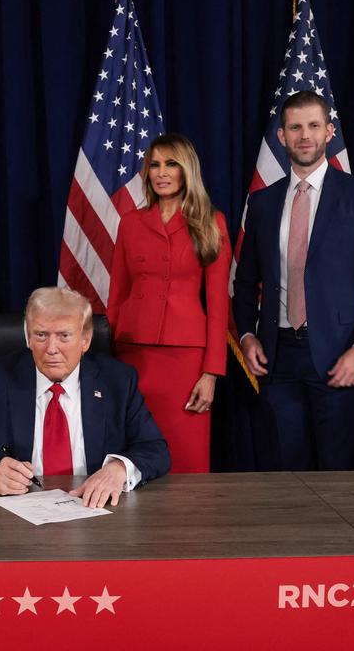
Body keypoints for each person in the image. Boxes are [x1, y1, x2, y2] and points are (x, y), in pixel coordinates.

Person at [232, 90, 354, 471]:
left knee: (338, 474)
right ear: (282, 136)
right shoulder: (262, 203)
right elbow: (244, 284)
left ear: (329, 132)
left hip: (340, 356)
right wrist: (246, 335)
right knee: (284, 472)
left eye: (313, 125)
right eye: (295, 127)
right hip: (277, 359)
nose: (304, 135)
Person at [0, 287, 170, 508]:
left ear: (85, 340)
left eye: (64, 336)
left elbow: (155, 449)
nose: (52, 348)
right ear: (28, 337)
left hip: (99, 510)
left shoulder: (117, 380)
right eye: (41, 335)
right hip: (13, 516)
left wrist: (118, 469)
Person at [106, 133, 230, 473]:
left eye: (171, 164)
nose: (162, 173)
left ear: (186, 170)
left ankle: (189, 526)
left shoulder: (211, 223)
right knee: (130, 453)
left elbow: (219, 305)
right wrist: (106, 358)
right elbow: (117, 294)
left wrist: (211, 373)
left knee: (186, 454)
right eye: (155, 165)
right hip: (131, 354)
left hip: (185, 359)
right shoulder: (131, 222)